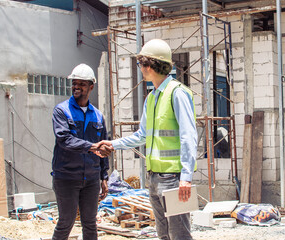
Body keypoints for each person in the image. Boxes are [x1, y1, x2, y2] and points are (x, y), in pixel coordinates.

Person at [99, 39, 197, 240]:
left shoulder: (177, 94)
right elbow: (142, 135)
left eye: (141, 64)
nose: (140, 69)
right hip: (154, 177)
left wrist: (186, 178)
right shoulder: (151, 98)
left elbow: (189, 136)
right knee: (163, 234)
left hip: (173, 179)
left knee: (180, 235)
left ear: (150, 64)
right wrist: (113, 144)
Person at [51, 63, 111, 240]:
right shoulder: (62, 111)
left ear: (91, 86)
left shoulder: (98, 116)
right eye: (74, 83)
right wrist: (93, 147)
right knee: (65, 222)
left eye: (81, 84)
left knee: (90, 224)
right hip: (66, 177)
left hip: (91, 179)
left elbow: (104, 146)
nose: (76, 87)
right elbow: (65, 140)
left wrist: (104, 177)